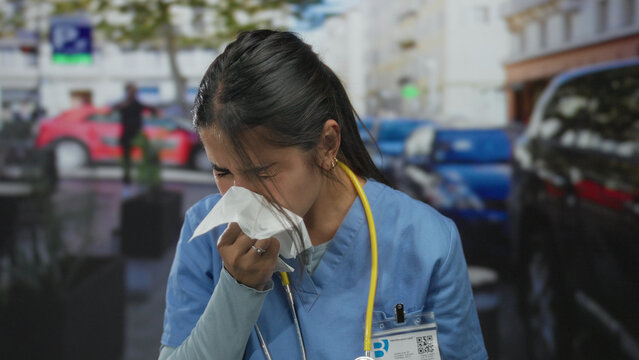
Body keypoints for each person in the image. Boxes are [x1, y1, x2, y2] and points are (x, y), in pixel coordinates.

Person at [158, 30, 487, 360]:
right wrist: (237, 288)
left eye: (262, 172)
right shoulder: (205, 233)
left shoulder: (425, 240)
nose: (240, 196)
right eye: (222, 172)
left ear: (327, 144)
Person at [111, 83, 151, 184]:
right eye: (131, 91)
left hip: (137, 133)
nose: (133, 93)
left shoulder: (137, 104)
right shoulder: (123, 104)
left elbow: (150, 109)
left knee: (146, 153)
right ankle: (127, 176)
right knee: (126, 157)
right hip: (126, 134)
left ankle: (144, 175)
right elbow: (112, 109)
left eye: (134, 91)